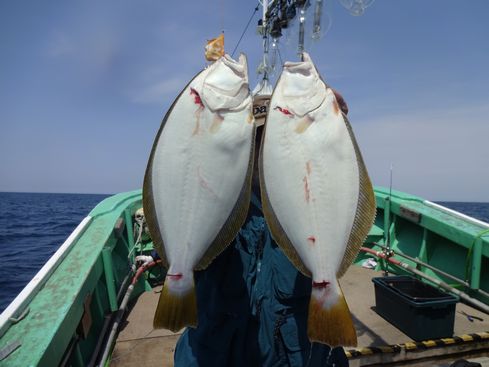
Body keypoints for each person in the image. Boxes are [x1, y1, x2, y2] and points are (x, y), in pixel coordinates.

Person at [145, 90, 350, 367]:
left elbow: (339, 181)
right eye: (252, 138)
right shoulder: (209, 200)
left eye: (271, 138)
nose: (259, 148)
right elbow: (178, 183)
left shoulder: (310, 201)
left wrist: (335, 127)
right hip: (213, 353)